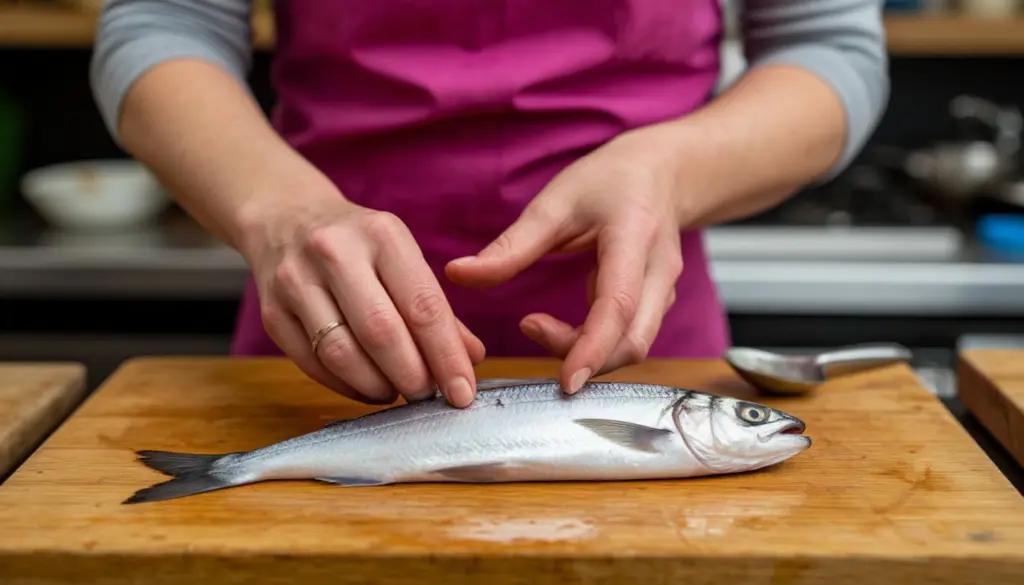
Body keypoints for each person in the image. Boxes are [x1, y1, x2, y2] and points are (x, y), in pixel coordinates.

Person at [90, 0, 889, 408]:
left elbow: (828, 48)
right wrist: (280, 211)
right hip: (320, 337)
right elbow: (165, 23)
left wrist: (671, 168)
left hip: (647, 348)